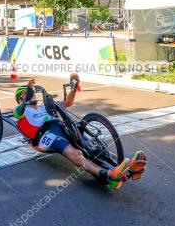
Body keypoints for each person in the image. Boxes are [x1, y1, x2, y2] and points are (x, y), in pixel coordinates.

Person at [13, 74, 146, 189]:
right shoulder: (21, 111)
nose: (30, 95)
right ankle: (109, 175)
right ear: (20, 99)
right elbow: (18, 111)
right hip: (46, 135)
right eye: (26, 94)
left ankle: (130, 168)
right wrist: (25, 98)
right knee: (75, 153)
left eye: (30, 93)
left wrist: (73, 88)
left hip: (62, 126)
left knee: (92, 145)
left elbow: (68, 102)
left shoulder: (44, 107)